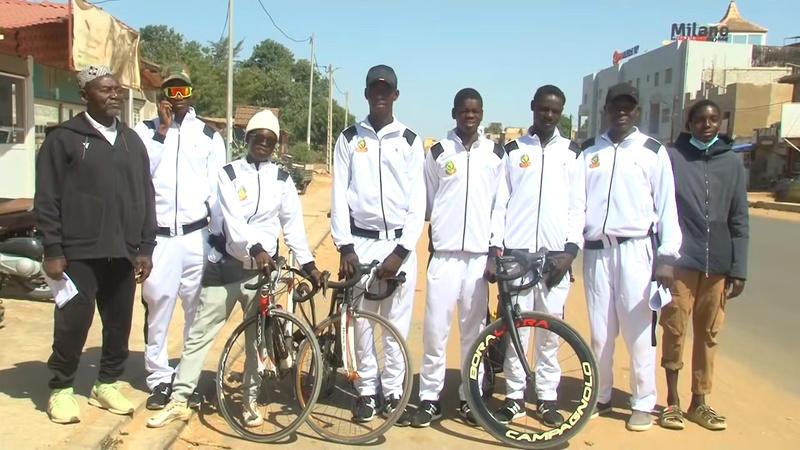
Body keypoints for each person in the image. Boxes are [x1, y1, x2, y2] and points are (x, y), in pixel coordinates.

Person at [146, 109, 323, 428]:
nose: (264, 144)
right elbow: (234, 222)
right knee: (200, 334)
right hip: (227, 267)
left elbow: (293, 228)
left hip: (262, 275)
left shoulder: (281, 180)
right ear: (247, 138)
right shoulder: (228, 174)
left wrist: (309, 265)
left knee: (257, 341)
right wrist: (255, 248)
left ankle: (250, 400)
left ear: (276, 145)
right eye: (258, 138)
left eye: (270, 140)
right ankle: (180, 398)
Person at [34, 65, 157, 424]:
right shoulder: (65, 138)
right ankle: (61, 388)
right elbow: (47, 197)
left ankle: (107, 383)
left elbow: (146, 196)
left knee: (119, 325)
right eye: (106, 90)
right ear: (85, 95)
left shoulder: (132, 141)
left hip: (122, 251)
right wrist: (53, 249)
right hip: (78, 253)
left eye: (117, 89)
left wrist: (145, 247)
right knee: (73, 323)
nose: (115, 95)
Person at [579, 82, 682, 432]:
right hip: (597, 253)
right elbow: (577, 206)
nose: (621, 111)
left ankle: (642, 401)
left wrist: (667, 256)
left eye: (628, 106)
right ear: (606, 110)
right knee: (600, 333)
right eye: (615, 106)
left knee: (639, 332)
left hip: (637, 251)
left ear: (636, 112)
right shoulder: (590, 150)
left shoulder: (652, 151)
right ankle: (601, 395)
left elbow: (668, 207)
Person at [330, 64, 425, 424]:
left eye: (387, 90)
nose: (381, 95)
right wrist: (345, 247)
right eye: (375, 89)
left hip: (398, 245)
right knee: (362, 323)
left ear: (396, 95)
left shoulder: (410, 141)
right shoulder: (349, 138)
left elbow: (418, 202)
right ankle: (366, 391)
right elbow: (339, 196)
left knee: (396, 325)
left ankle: (394, 392)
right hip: (361, 242)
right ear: (367, 93)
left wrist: (401, 251)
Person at [489, 85, 585, 427]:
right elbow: (500, 204)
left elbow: (577, 209)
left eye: (555, 111)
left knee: (549, 334)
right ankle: (514, 397)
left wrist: (570, 253)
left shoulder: (573, 154)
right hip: (517, 258)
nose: (548, 115)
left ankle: (546, 398)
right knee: (518, 333)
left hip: (555, 261)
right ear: (533, 107)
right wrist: (496, 249)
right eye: (543, 109)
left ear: (561, 113)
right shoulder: (513, 150)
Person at [133, 64, 226, 410]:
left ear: (191, 93)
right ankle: (158, 377)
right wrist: (162, 129)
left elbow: (217, 191)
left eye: (183, 91)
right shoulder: (144, 132)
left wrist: (217, 238)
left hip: (196, 236)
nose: (177, 98)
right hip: (158, 238)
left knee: (195, 310)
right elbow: (143, 175)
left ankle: (187, 379)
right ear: (162, 95)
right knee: (157, 305)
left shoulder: (208, 135)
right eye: (171, 91)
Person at [411, 88, 505, 428]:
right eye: (464, 110)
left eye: (475, 111)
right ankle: (430, 397)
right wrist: (442, 235)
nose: (470, 115)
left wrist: (494, 249)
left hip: (478, 260)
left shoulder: (496, 154)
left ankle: (471, 397)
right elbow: (431, 202)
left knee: (474, 332)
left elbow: (499, 205)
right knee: (435, 330)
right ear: (454, 113)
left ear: (481, 114)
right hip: (445, 257)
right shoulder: (437, 152)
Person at [658, 99, 748, 432]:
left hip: (718, 265)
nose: (707, 125)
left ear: (721, 122)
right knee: (675, 329)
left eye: (713, 119)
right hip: (682, 262)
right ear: (689, 122)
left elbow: (739, 218)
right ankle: (672, 401)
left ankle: (700, 402)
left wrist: (739, 268)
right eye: (700, 119)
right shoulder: (673, 157)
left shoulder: (732, 162)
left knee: (708, 335)